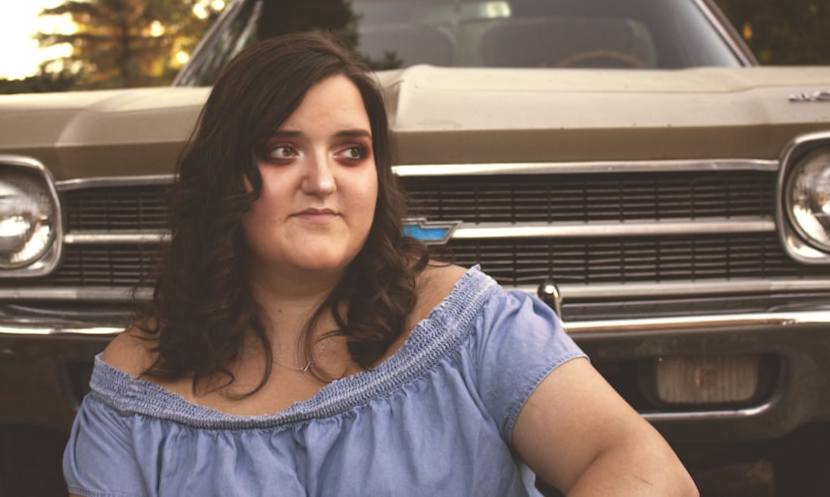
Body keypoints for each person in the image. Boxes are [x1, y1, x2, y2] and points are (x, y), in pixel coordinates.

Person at [62, 32, 698, 496]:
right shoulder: (133, 392)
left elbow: (648, 472)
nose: (322, 181)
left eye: (350, 152)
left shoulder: (468, 326)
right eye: (283, 150)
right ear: (225, 173)